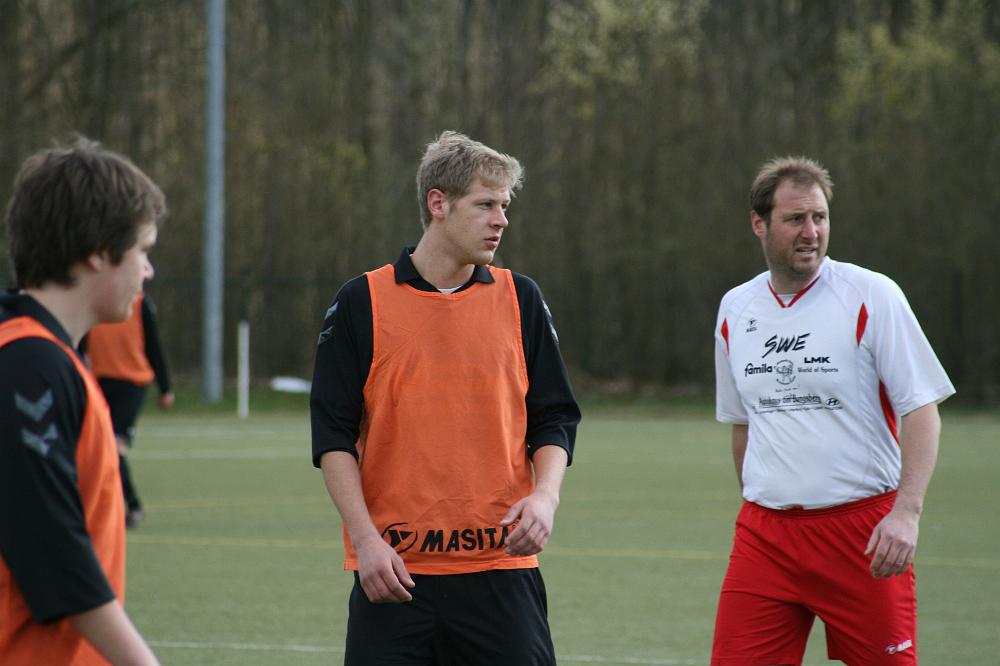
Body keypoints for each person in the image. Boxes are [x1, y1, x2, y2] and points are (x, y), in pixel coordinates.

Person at [310, 130, 581, 665]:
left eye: (504, 206)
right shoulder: (362, 301)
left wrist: (545, 497)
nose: (501, 219)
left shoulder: (521, 298)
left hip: (502, 575)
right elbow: (332, 436)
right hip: (393, 576)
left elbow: (554, 418)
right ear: (438, 203)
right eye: (486, 204)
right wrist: (365, 541)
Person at [711, 156, 955, 665]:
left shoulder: (871, 295)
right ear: (759, 223)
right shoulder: (735, 308)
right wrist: (765, 496)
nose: (811, 232)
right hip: (766, 537)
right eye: (795, 219)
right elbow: (742, 424)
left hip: (862, 534)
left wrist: (906, 514)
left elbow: (921, 408)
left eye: (820, 217)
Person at [0, 139, 164, 665]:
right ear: (98, 251)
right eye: (142, 251)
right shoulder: (28, 365)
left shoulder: (49, 358)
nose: (148, 271)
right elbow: (54, 552)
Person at [85, 291, 175, 528]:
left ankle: (133, 505)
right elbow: (81, 342)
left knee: (114, 446)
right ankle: (96, 507)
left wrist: (165, 387)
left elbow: (153, 345)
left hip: (132, 383)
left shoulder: (139, 303)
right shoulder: (92, 299)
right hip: (98, 382)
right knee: (95, 446)